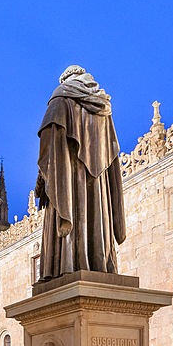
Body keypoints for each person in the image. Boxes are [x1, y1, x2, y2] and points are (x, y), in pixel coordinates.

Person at [35, 65, 126, 277]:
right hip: (97, 184)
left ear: (65, 80)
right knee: (94, 218)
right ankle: (98, 262)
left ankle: (67, 265)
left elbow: (48, 151)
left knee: (72, 216)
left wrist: (41, 182)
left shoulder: (60, 100)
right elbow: (111, 153)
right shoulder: (104, 109)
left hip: (68, 178)